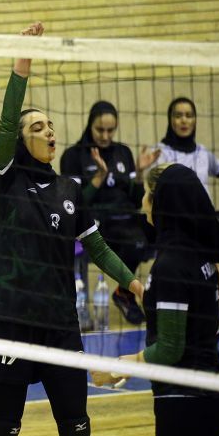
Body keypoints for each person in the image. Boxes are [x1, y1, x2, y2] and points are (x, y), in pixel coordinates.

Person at [0, 22, 144, 436]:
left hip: (59, 324)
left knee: (76, 426)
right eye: (37, 127)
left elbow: (97, 246)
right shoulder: (4, 180)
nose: (48, 131)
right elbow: (6, 123)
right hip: (11, 321)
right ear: (21, 140)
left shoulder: (70, 188)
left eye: (50, 125)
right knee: (4, 428)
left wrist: (132, 282)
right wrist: (22, 62)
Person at [92, 163, 219, 436]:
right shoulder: (202, 256)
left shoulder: (171, 264)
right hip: (208, 394)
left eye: (145, 194)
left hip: (184, 400)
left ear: (159, 202)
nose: (141, 202)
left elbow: (170, 348)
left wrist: (123, 365)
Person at [61, 101, 160, 324]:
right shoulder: (73, 156)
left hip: (129, 218)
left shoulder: (123, 152)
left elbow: (136, 199)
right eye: (100, 130)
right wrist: (98, 178)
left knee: (169, 232)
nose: (105, 136)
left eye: (110, 130)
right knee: (136, 242)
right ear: (90, 125)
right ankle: (126, 294)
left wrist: (139, 173)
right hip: (98, 223)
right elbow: (73, 205)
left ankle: (140, 295)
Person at [147, 97, 219, 200]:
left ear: (195, 120)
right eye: (178, 116)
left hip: (205, 210)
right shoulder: (159, 152)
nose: (184, 120)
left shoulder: (202, 151)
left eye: (189, 116)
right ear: (170, 120)